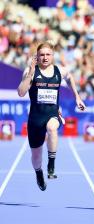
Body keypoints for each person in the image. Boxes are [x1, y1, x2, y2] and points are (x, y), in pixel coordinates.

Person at [17, 42, 86, 191]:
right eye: (42, 55)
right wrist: (30, 73)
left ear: (53, 56)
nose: (45, 57)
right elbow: (21, 92)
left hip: (53, 114)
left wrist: (77, 97)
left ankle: (51, 165)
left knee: (52, 127)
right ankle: (39, 173)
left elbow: (69, 77)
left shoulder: (59, 71)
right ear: (37, 56)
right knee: (36, 158)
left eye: (48, 54)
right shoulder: (30, 71)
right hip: (35, 119)